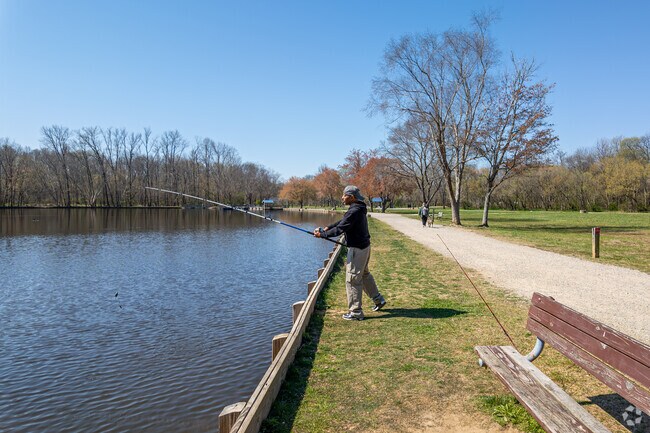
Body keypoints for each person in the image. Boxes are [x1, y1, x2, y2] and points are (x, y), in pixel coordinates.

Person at [314, 185, 386, 321]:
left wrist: (322, 235)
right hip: (364, 247)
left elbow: (340, 229)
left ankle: (356, 313)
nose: (342, 198)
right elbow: (342, 222)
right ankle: (378, 300)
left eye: (344, 195)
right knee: (364, 275)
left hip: (357, 249)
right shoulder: (357, 209)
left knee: (352, 280)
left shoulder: (354, 211)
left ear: (351, 197)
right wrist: (329, 227)